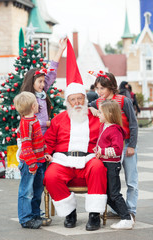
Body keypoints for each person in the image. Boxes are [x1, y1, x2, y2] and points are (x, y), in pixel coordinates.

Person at [43, 39, 107, 231]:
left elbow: (107, 136)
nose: (78, 102)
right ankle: (69, 213)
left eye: (80, 98)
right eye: (73, 99)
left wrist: (101, 151)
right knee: (51, 176)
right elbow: (49, 140)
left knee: (98, 167)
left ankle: (94, 215)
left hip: (88, 161)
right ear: (68, 102)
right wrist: (46, 152)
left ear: (85, 99)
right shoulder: (59, 119)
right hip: (63, 161)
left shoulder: (96, 117)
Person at [18, 37, 67, 225]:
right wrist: (50, 122)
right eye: (39, 81)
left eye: (42, 81)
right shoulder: (28, 103)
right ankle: (27, 218)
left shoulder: (41, 93)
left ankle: (36, 214)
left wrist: (60, 51)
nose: (43, 83)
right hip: (32, 150)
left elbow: (52, 71)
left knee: (38, 185)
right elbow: (33, 127)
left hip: (42, 148)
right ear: (32, 82)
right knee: (28, 187)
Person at [88, 70, 138, 222]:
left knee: (131, 180)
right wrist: (91, 108)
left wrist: (132, 146)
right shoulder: (97, 102)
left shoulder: (123, 101)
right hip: (108, 149)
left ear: (110, 86)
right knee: (111, 179)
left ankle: (130, 209)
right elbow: (85, 105)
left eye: (102, 88)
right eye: (97, 88)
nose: (99, 92)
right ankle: (114, 210)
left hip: (126, 144)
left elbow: (134, 124)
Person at [14, 92, 52, 229]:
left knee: (37, 190)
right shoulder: (25, 123)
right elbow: (26, 145)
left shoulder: (34, 120)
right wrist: (31, 164)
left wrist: (45, 152)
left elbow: (40, 140)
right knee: (26, 192)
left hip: (39, 162)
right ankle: (25, 218)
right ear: (33, 106)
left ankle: (35, 214)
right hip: (30, 164)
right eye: (36, 103)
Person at [94, 99, 134, 229]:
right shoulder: (103, 126)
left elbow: (117, 150)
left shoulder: (115, 130)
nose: (98, 115)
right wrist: (98, 150)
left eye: (100, 112)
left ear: (109, 114)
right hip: (104, 164)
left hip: (112, 166)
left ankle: (126, 218)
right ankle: (125, 214)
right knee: (108, 194)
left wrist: (102, 151)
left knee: (114, 193)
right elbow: (102, 143)